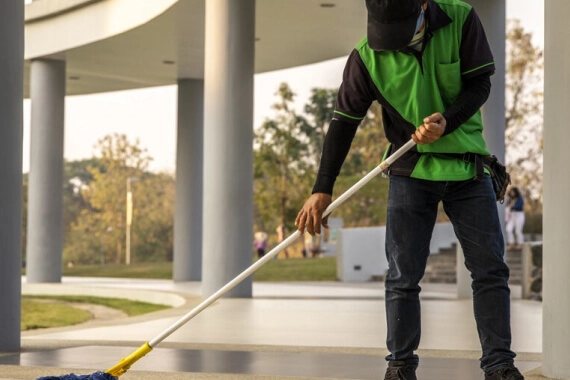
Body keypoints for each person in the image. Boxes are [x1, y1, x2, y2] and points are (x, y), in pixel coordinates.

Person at [295, 1, 523, 379]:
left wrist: (446, 122)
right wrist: (322, 189)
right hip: (409, 171)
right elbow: (343, 123)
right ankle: (400, 366)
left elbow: (480, 83)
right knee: (402, 275)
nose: (391, 42)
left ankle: (499, 365)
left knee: (490, 272)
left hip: (467, 168)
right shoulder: (366, 58)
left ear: (422, 6)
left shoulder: (461, 18)